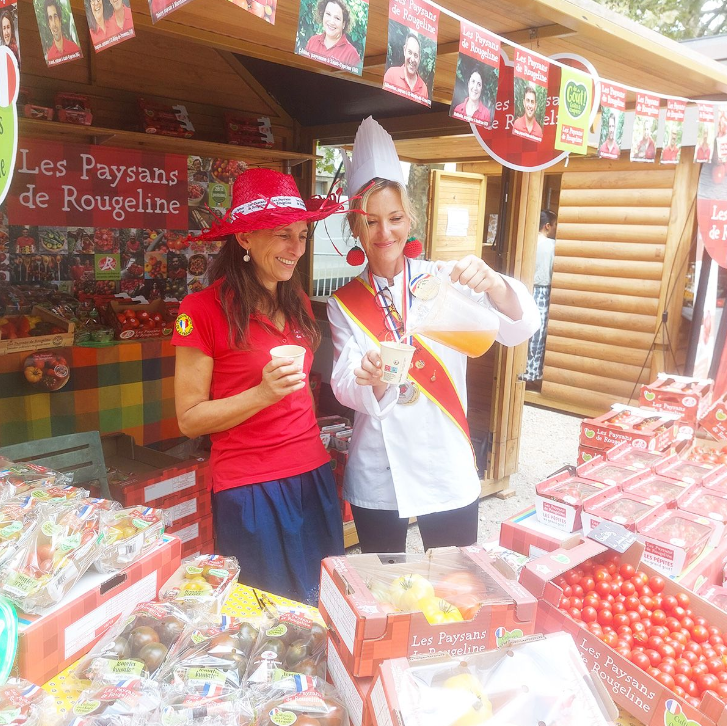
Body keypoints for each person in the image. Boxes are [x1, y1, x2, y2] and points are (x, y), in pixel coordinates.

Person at [327, 117, 539, 553]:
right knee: (386, 588)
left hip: (445, 457)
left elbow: (517, 329)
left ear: (411, 220)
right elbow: (346, 385)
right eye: (370, 222)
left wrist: (495, 284)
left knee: (454, 584)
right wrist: (374, 377)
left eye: (395, 217)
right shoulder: (343, 302)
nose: (384, 232)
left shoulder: (445, 278)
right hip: (379, 469)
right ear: (355, 228)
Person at [172, 168, 347, 604]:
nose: (296, 249)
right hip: (251, 488)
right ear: (245, 238)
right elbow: (189, 419)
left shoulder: (298, 301)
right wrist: (262, 394)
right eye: (283, 235)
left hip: (312, 474)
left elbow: (300, 394)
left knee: (323, 603)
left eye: (303, 236)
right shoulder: (201, 310)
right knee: (268, 614)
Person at [524, 210, 557, 388]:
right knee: (538, 331)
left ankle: (522, 368)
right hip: (542, 291)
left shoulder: (527, 242)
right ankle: (532, 371)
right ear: (547, 226)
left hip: (525, 288)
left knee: (525, 328)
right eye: (554, 225)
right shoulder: (551, 245)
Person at [304, 0, 360, 68]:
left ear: (344, 24)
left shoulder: (352, 55)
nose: (331, 21)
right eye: (328, 14)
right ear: (322, 14)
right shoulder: (312, 41)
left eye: (337, 18)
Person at [383, 32, 428, 100]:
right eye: (410, 52)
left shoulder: (424, 88)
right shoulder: (391, 74)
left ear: (419, 58)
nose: (412, 59)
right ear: (404, 50)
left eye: (416, 55)